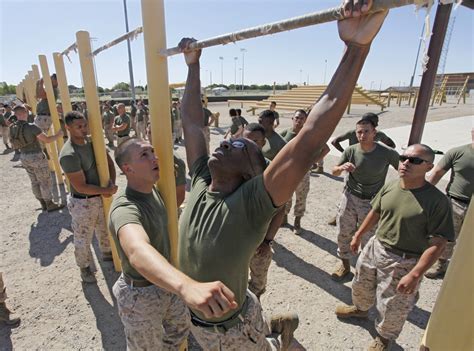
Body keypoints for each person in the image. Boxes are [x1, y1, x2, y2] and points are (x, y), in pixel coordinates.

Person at [177, 3, 388, 348]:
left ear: (252, 172)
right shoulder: (201, 179)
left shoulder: (252, 202)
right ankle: (275, 328)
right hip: (198, 318)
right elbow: (191, 121)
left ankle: (277, 337)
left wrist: (356, 48)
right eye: (231, 140)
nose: (228, 143)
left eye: (239, 147)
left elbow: (311, 137)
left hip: (230, 329)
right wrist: (193, 65)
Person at [109, 137, 238, 350]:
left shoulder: (153, 191)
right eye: (144, 155)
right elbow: (136, 249)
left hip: (167, 284)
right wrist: (186, 286)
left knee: (179, 331)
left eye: (152, 151)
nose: (154, 157)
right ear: (127, 168)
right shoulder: (125, 207)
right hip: (141, 295)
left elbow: (174, 204)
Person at [335, 144, 454, 351]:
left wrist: (415, 274)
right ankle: (361, 309)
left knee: (394, 304)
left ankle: (384, 337)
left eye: (415, 160)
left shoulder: (437, 201)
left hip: (404, 260)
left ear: (428, 167)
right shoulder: (392, 185)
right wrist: (358, 235)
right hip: (375, 246)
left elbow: (439, 243)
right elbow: (376, 211)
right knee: (361, 284)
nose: (406, 163)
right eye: (403, 157)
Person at [331, 118, 399, 280]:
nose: (362, 135)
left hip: (372, 203)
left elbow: (403, 171)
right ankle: (345, 265)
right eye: (359, 132)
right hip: (350, 198)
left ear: (375, 132)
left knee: (369, 238)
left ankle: (364, 272)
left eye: (366, 131)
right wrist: (341, 168)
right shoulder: (352, 150)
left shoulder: (386, 153)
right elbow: (334, 171)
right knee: (344, 232)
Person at [59, 111, 117, 283]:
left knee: (104, 228)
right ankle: (84, 267)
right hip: (82, 202)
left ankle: (107, 253)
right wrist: (105, 190)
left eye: (85, 125)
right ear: (68, 128)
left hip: (100, 195)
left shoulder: (92, 142)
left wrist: (111, 184)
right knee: (83, 237)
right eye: (79, 127)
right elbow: (80, 186)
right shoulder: (69, 154)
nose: (84, 129)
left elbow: (109, 164)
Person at [424, 136, 473, 278]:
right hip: (455, 203)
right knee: (445, 237)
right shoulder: (457, 152)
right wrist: (424, 196)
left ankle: (466, 271)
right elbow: (437, 173)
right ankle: (441, 264)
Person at [280, 109, 329, 233]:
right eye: (296, 118)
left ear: (305, 120)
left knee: (301, 197)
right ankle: (284, 218)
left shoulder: (310, 134)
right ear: (292, 119)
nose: (298, 120)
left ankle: (297, 222)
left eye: (301, 118)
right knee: (285, 196)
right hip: (287, 172)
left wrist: (313, 161)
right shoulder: (285, 133)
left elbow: (326, 149)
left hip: (302, 173)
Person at [9, 105, 64, 211]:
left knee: (34, 181)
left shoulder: (13, 127)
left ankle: (42, 202)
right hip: (36, 156)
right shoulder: (32, 127)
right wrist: (59, 135)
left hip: (23, 156)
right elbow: (47, 140)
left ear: (15, 114)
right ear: (25, 113)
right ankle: (49, 203)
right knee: (45, 180)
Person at [331, 112, 396, 152]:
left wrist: (344, 153)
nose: (377, 124)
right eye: (376, 122)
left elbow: (334, 142)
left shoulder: (352, 133)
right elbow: (392, 145)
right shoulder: (379, 134)